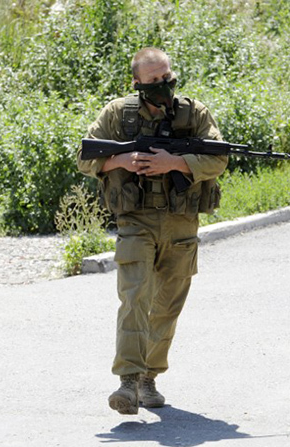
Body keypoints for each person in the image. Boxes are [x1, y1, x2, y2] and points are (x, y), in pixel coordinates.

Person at [77, 47, 227, 415]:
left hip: (180, 225)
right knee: (135, 297)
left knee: (167, 307)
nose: (164, 85)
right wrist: (122, 160)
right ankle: (128, 382)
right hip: (136, 222)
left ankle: (149, 378)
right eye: (154, 80)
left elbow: (219, 156)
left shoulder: (195, 113)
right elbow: (85, 157)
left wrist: (173, 162)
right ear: (137, 83)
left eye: (167, 77)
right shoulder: (117, 113)